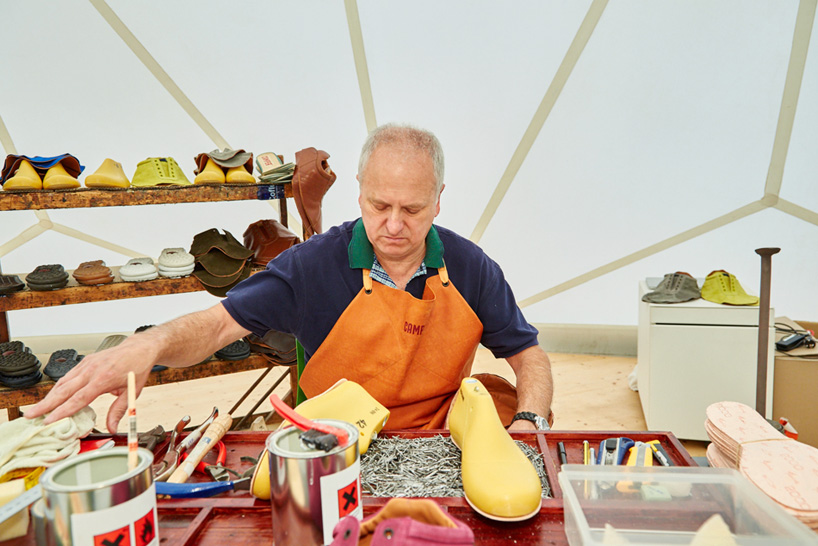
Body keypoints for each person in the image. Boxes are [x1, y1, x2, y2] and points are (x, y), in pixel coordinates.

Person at [28, 124, 553, 434]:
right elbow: (215, 327)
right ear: (358, 192)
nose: (394, 225)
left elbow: (528, 356)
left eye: (413, 209)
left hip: (439, 437)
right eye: (379, 205)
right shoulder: (310, 266)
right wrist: (151, 344)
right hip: (335, 440)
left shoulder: (470, 267)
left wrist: (530, 421)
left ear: (439, 199)